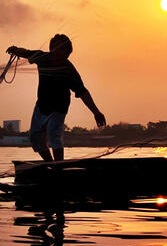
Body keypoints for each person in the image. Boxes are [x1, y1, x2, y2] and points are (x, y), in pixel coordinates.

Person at [7, 34, 106, 162]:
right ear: (51, 49)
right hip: (42, 105)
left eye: (63, 50)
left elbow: (82, 92)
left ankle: (59, 166)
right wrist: (15, 49)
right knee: (34, 138)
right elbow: (26, 53)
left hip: (59, 107)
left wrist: (96, 112)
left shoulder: (68, 70)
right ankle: (50, 163)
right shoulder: (42, 57)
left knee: (54, 134)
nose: (59, 53)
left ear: (67, 53)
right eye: (56, 49)